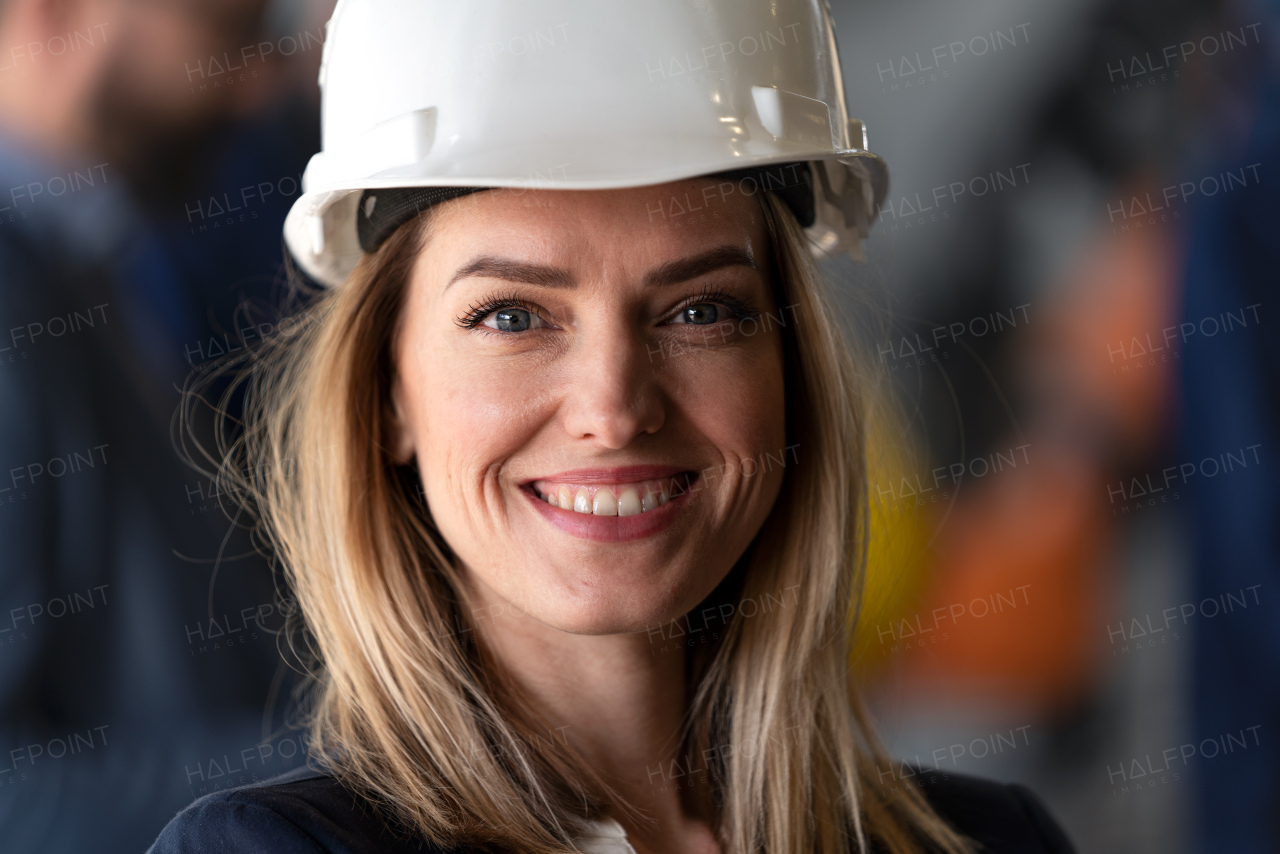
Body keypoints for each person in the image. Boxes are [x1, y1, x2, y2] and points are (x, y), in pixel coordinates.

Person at [148, 1, 1077, 852]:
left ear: (789, 372)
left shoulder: (993, 839)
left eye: (702, 311)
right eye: (512, 316)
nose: (615, 409)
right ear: (388, 395)